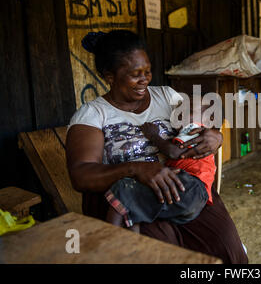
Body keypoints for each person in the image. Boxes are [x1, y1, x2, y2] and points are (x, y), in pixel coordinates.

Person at [66, 30, 248, 264]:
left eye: (147, 71)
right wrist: (135, 169)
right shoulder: (93, 115)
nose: (145, 80)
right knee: (164, 250)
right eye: (135, 74)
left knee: (229, 253)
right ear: (109, 76)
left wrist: (216, 137)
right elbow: (80, 174)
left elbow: (200, 123)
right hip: (136, 195)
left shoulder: (166, 96)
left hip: (184, 188)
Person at [105, 102, 216, 234]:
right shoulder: (200, 136)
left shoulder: (195, 131)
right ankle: (132, 246)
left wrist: (153, 136)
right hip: (194, 200)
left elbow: (174, 153)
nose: (182, 114)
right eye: (181, 110)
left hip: (188, 188)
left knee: (122, 189)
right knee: (135, 208)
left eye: (190, 111)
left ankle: (108, 243)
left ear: (208, 121)